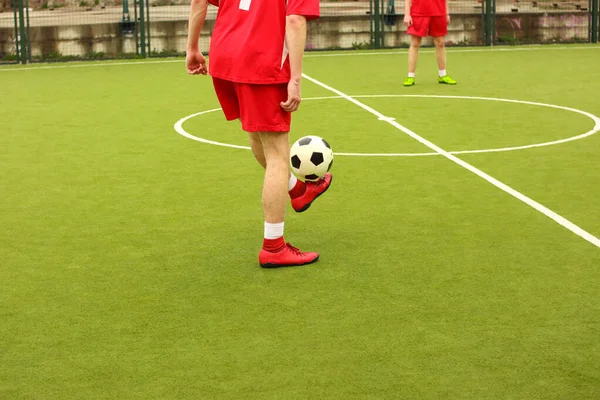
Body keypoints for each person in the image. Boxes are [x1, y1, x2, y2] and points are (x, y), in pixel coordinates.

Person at [185, 0, 332, 268]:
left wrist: (192, 47)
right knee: (277, 153)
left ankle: (298, 190)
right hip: (261, 61)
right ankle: (274, 247)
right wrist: (295, 81)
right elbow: (295, 20)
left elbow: (199, 1)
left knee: (256, 135)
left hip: (224, 57)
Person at [403, 0, 457, 86]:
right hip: (418, 11)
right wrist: (407, 14)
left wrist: (446, 13)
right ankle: (410, 76)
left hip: (439, 11)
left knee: (440, 43)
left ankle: (442, 75)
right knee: (415, 43)